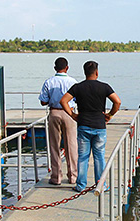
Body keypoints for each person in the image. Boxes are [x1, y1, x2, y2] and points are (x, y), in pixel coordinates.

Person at [60, 60, 121, 193]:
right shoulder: (104, 87)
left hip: (83, 125)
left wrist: (72, 115)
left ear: (85, 72)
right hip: (99, 126)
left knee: (83, 156)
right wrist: (110, 115)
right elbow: (117, 101)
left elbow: (63, 101)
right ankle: (101, 185)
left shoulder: (78, 87)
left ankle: (81, 185)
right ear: (97, 72)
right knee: (99, 156)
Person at [39, 57, 78, 185]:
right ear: (67, 68)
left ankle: (56, 177)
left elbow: (43, 101)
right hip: (70, 112)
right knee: (71, 145)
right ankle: (73, 176)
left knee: (54, 145)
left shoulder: (49, 82)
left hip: (54, 112)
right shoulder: (73, 82)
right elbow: (78, 99)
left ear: (55, 68)